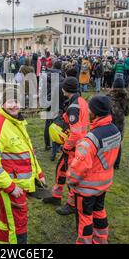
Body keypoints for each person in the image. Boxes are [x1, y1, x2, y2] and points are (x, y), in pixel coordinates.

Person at [0, 88, 45, 244]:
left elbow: (28, 152)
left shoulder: (17, 121)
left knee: (7, 220)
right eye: (10, 101)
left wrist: (39, 174)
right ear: (3, 103)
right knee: (17, 227)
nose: (14, 105)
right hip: (10, 187)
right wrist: (10, 187)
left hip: (18, 184)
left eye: (17, 101)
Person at [67, 95, 121, 244]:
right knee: (99, 212)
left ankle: (84, 241)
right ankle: (101, 240)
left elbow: (78, 168)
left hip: (86, 189)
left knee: (85, 218)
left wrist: (70, 181)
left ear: (95, 113)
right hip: (103, 185)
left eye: (89, 109)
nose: (87, 111)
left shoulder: (89, 140)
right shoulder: (116, 130)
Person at [43, 77, 89, 216]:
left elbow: (75, 133)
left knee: (71, 176)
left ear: (65, 89)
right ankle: (56, 197)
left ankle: (71, 204)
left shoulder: (74, 107)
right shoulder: (80, 101)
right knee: (61, 170)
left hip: (74, 147)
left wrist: (67, 146)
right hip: (77, 145)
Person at [106, 78, 129, 169]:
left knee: (107, 142)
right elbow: (127, 112)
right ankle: (116, 164)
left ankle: (107, 162)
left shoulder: (108, 96)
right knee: (118, 143)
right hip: (119, 123)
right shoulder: (126, 97)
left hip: (108, 121)